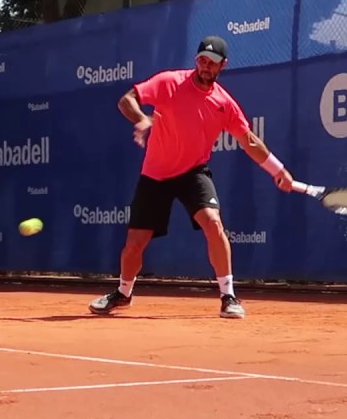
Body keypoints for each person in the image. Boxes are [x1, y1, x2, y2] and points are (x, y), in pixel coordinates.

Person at [87, 35, 296, 319]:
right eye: (202, 60)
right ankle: (123, 293)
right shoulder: (169, 82)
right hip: (155, 173)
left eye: (212, 62)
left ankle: (228, 296)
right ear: (196, 60)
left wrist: (277, 170)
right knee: (135, 244)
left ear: (223, 65)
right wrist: (142, 119)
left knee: (213, 222)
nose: (205, 66)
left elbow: (249, 140)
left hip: (193, 172)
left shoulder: (224, 104)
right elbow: (127, 100)